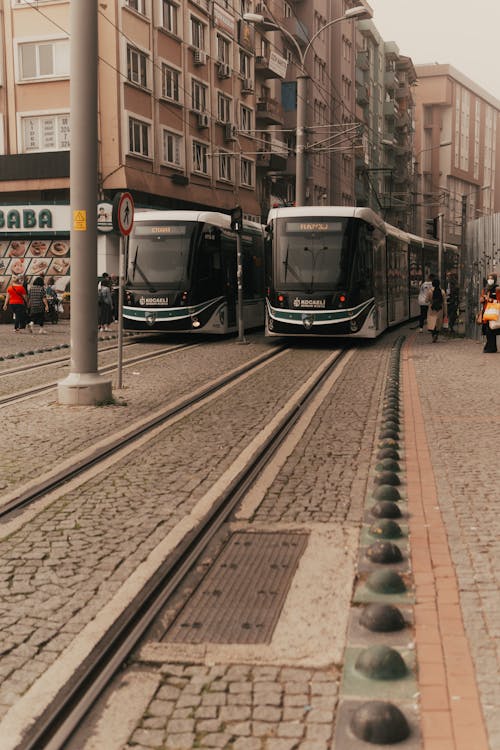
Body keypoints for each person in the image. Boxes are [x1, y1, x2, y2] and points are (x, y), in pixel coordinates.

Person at [479, 272, 500, 353]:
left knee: (492, 329)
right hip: (486, 311)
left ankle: (491, 347)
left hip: (493, 311)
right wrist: (483, 299)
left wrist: (490, 299)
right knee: (487, 329)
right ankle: (490, 346)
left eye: (491, 278)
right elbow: (481, 299)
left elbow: (498, 300)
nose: (490, 280)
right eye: (489, 278)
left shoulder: (497, 289)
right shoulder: (485, 289)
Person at [426, 277, 447, 343]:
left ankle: (433, 335)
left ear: (432, 284)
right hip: (440, 309)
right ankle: (436, 334)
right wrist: (445, 312)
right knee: (438, 323)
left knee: (432, 323)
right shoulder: (442, 291)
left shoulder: (430, 291)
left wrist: (431, 301)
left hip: (432, 309)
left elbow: (426, 300)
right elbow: (444, 302)